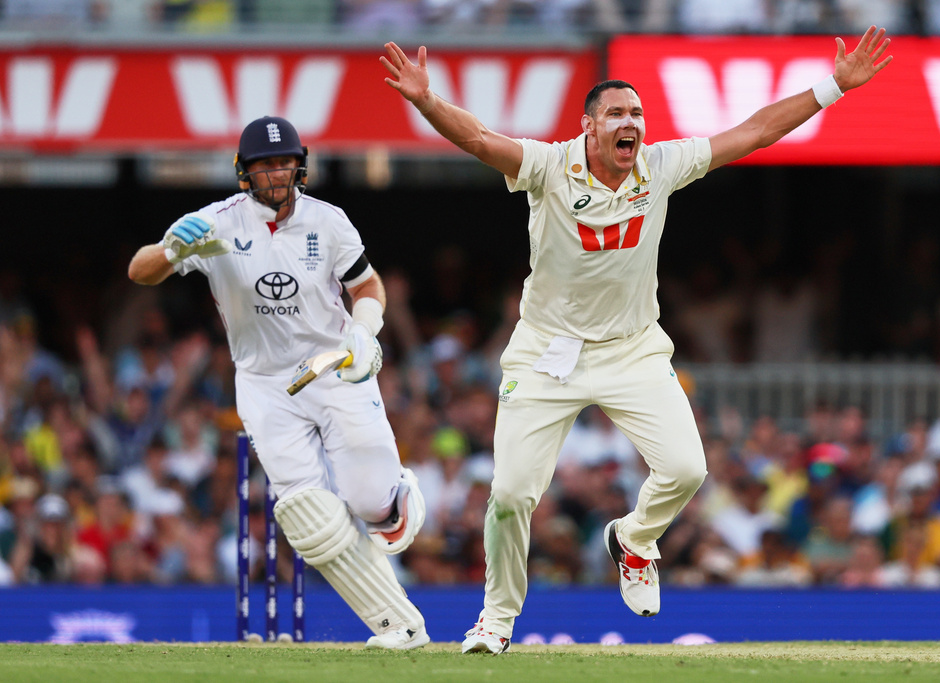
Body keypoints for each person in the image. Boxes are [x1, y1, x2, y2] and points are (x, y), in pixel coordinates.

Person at [381, 25, 892, 654]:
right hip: (547, 351)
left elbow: (755, 131)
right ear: (589, 125)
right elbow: (481, 139)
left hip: (631, 346)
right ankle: (497, 617)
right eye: (618, 113)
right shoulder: (548, 165)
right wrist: (427, 101)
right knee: (512, 495)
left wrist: (832, 86)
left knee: (687, 469)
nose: (633, 123)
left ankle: (635, 540)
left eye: (638, 113)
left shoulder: (660, 164)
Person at [127, 116, 429, 649]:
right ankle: (397, 625)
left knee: (367, 504)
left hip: (332, 367)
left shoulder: (329, 221)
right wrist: (173, 250)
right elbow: (140, 270)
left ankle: (393, 498)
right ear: (244, 172)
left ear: (301, 165)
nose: (277, 172)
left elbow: (367, 284)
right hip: (265, 384)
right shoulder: (216, 223)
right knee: (308, 517)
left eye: (285, 161)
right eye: (265, 164)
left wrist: (363, 330)